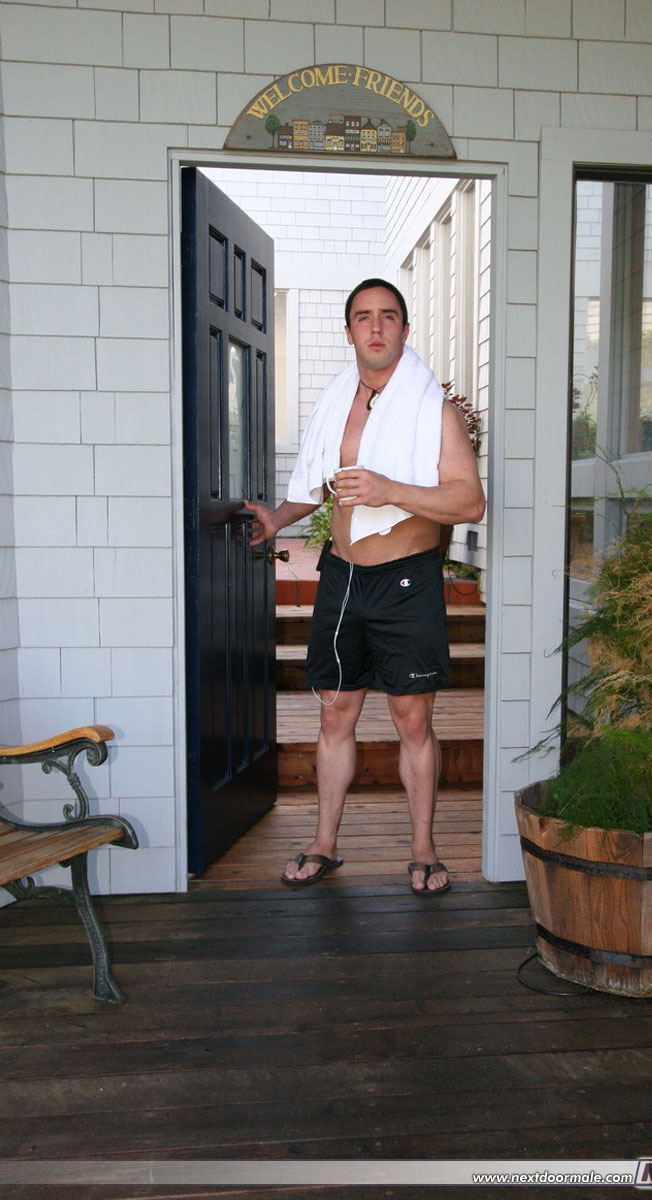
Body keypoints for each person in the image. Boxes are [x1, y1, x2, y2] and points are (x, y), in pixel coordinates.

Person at [245, 278, 485, 895]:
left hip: (406, 580)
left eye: (388, 316)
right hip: (343, 577)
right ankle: (324, 845)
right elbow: (320, 481)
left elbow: (469, 501)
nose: (376, 327)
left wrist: (390, 489)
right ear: (349, 330)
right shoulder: (336, 402)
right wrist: (277, 519)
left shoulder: (434, 410)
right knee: (335, 713)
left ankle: (424, 849)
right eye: (363, 317)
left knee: (412, 719)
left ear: (404, 327)